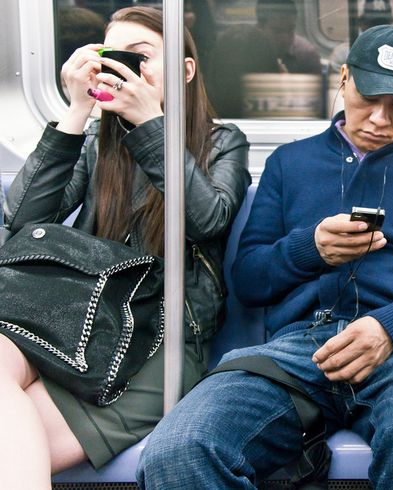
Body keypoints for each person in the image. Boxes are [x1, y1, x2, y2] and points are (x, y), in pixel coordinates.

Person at [137, 25, 393, 489]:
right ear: (343, 78)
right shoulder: (289, 162)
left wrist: (392, 325)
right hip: (299, 348)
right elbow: (250, 279)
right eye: (368, 99)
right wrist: (310, 250)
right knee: (179, 449)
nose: (380, 119)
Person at [0, 6, 250, 487]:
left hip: (160, 342)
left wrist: (150, 124)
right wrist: (75, 111)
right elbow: (22, 223)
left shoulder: (222, 142)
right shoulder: (96, 141)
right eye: (112, 56)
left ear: (184, 71)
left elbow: (206, 221)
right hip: (78, 321)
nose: (124, 68)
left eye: (142, 57)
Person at [208, 0, 322, 117]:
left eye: (290, 30)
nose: (285, 39)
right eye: (277, 31)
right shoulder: (241, 49)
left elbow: (312, 110)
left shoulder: (306, 56)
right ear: (260, 27)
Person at [328, 0, 393, 73]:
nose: (378, 28)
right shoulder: (343, 53)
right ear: (361, 23)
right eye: (372, 23)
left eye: (383, 23)